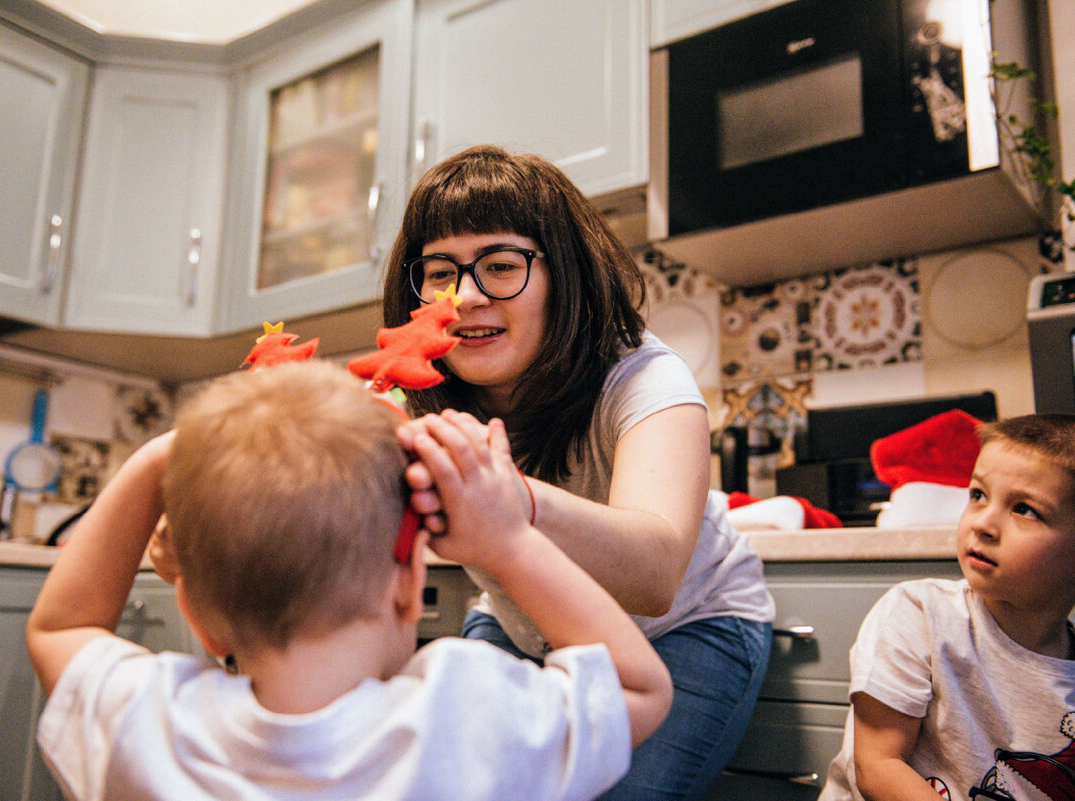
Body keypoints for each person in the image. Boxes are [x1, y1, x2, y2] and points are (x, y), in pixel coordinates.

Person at [26, 361, 673, 801]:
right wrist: (507, 541)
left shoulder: (150, 725)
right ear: (408, 581)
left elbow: (61, 625)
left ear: (193, 607)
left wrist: (164, 456)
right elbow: (637, 684)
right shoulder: (467, 714)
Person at [382, 144, 776, 801]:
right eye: (440, 271)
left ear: (563, 274)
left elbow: (653, 573)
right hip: (517, 618)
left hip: (684, 625)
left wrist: (503, 498)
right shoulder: (413, 398)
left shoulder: (649, 379)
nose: (466, 296)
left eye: (501, 265)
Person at [818, 413, 1075, 801]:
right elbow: (878, 768)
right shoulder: (919, 614)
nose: (983, 523)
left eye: (1024, 509)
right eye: (978, 495)